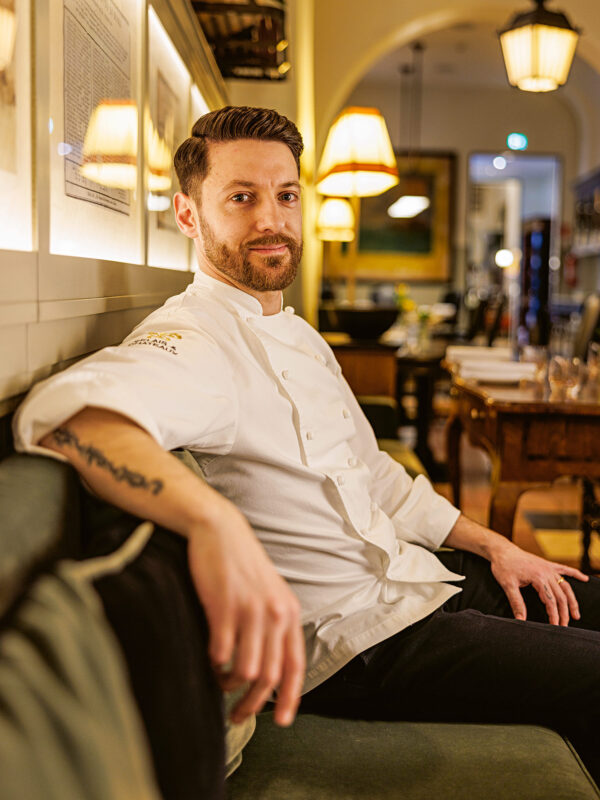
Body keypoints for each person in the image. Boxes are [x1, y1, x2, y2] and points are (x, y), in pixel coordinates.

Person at [13, 106, 600, 785]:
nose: (272, 219)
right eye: (242, 198)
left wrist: (495, 546)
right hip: (360, 642)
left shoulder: (299, 332)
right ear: (186, 214)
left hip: (418, 580)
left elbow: (376, 473)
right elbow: (65, 414)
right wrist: (211, 521)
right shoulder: (194, 342)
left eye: (286, 195)